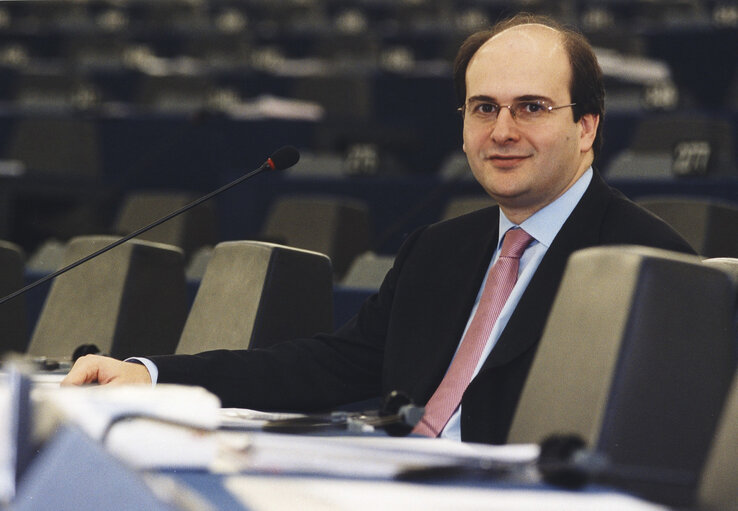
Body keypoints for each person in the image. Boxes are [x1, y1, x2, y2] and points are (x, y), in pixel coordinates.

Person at [62, 13, 695, 444]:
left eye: (530, 107)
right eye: (483, 108)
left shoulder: (649, 261)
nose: (502, 131)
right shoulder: (439, 249)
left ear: (586, 126)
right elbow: (331, 367)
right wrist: (152, 375)